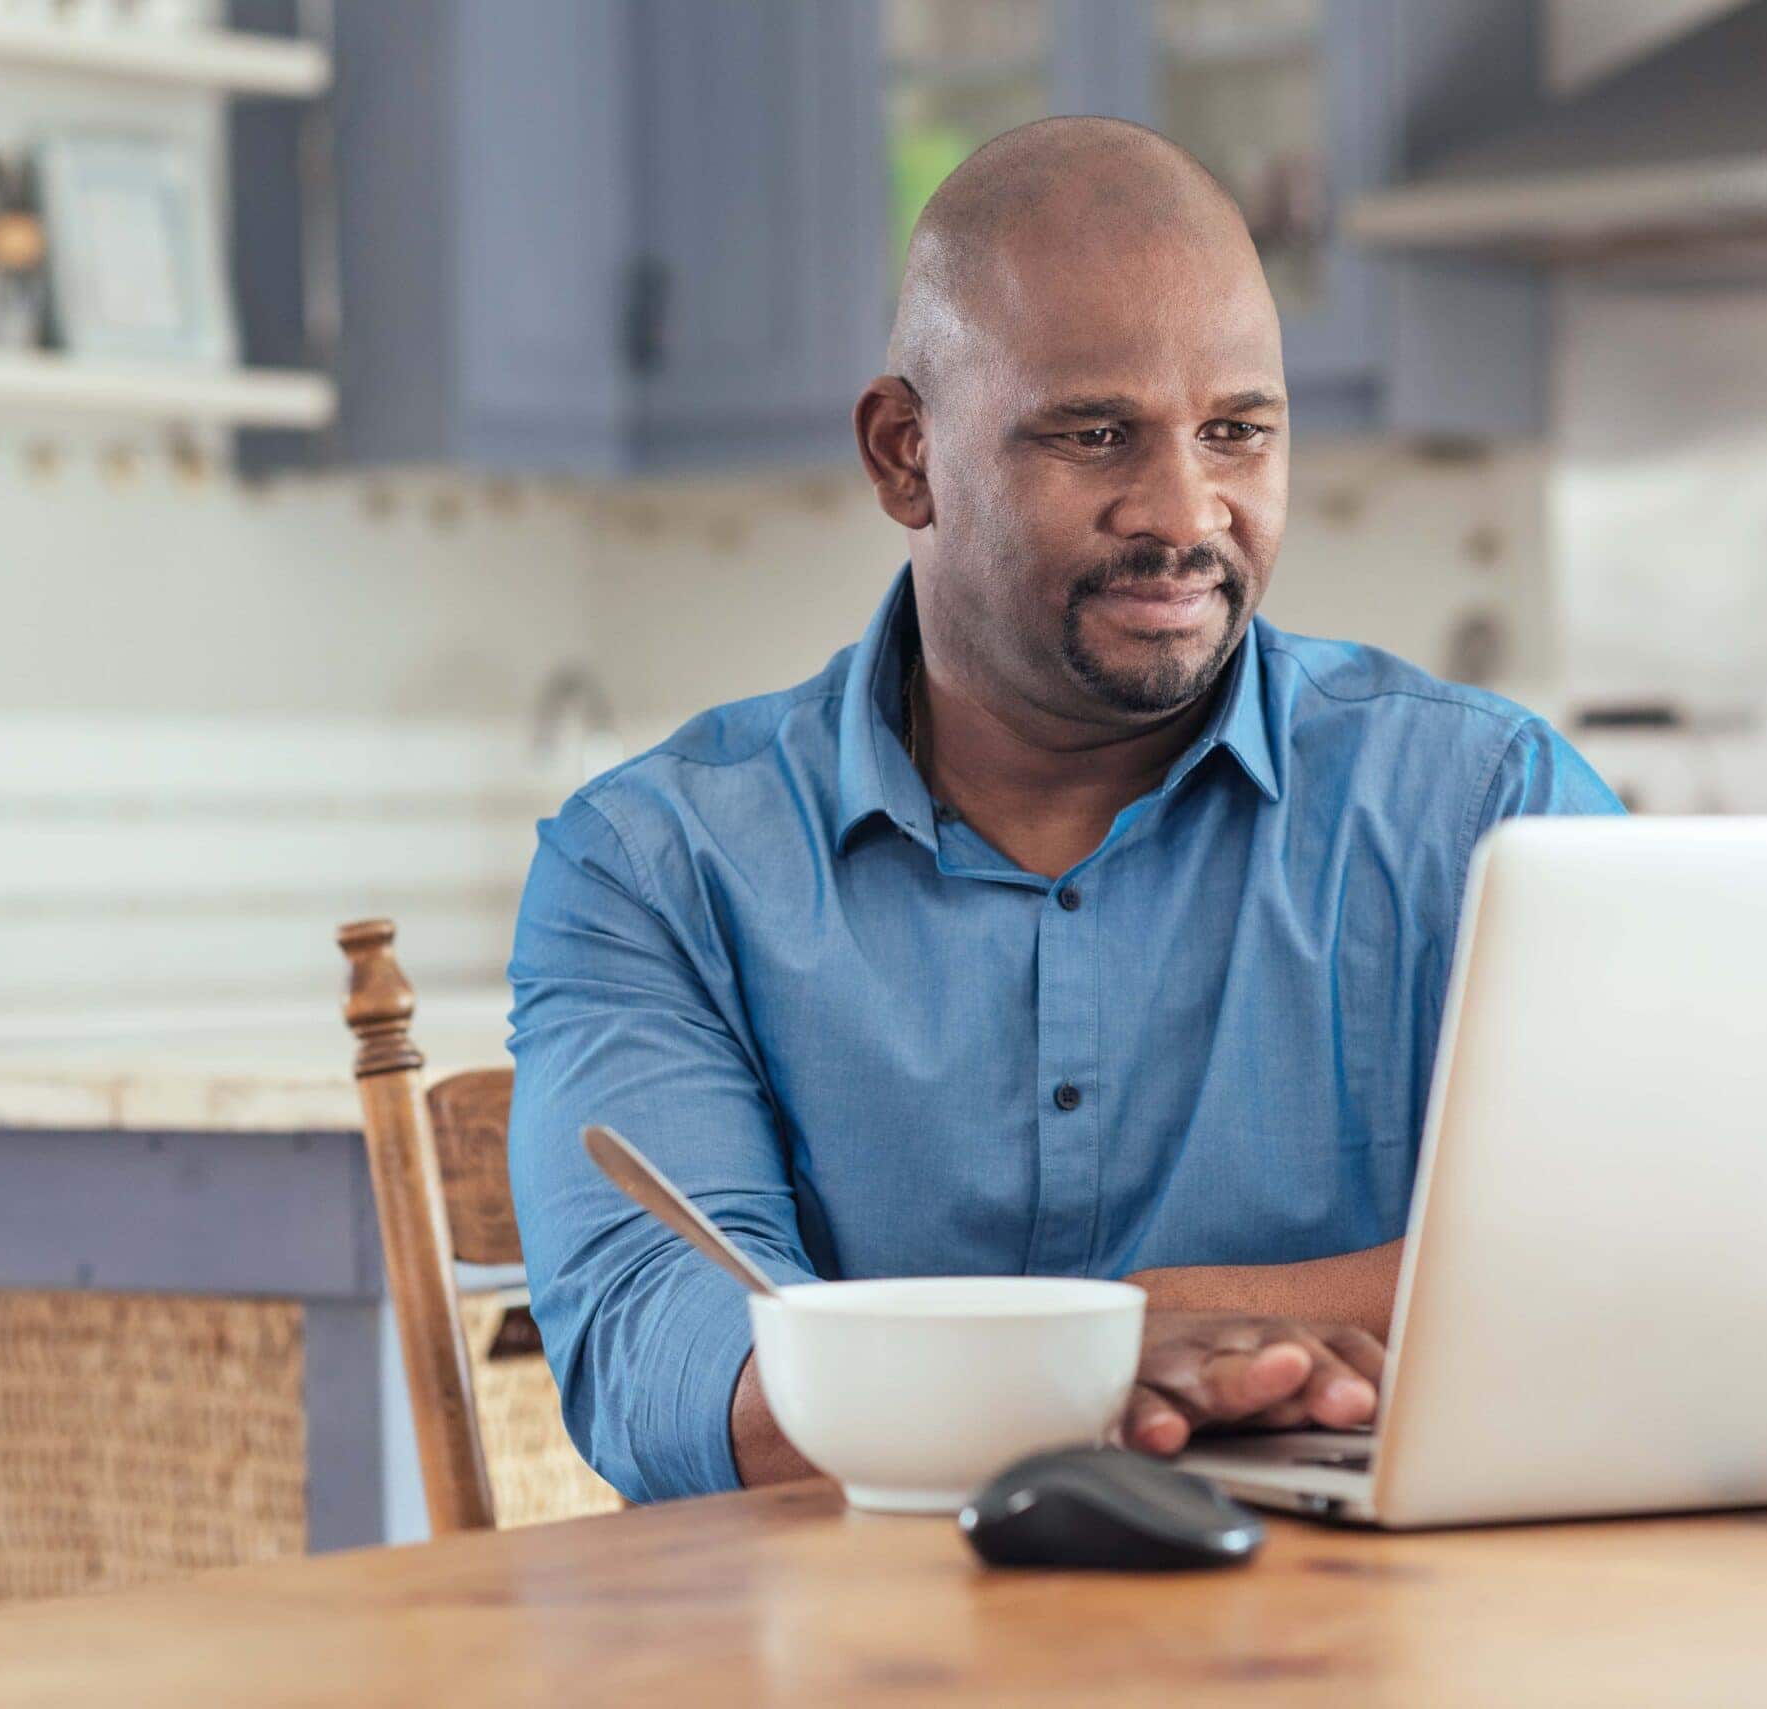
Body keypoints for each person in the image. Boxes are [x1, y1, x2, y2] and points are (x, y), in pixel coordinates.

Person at [507, 117, 1622, 1502]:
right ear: (905, 452)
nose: (1183, 509)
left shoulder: (1491, 809)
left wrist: (1155, 1311)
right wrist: (1100, 1363)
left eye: (1236, 433)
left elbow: (1654, 1247)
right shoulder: (658, 867)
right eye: (1097, 435)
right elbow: (673, 1367)